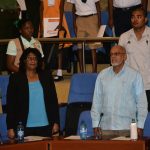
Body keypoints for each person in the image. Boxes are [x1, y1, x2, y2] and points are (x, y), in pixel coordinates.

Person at [91, 45, 148, 139]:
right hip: (106, 128)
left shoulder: (134, 76)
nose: (113, 57)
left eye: (116, 54)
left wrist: (140, 126)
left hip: (127, 129)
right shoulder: (102, 75)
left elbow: (142, 103)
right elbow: (96, 101)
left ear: (125, 57)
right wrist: (95, 123)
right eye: (111, 54)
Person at [6, 48, 59, 138]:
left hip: (45, 125)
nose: (32, 60)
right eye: (29, 58)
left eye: (35, 58)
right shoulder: (15, 78)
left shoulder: (46, 76)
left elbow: (53, 101)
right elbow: (11, 104)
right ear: (24, 61)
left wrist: (56, 122)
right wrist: (10, 127)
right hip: (23, 127)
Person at [119, 7, 150, 112]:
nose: (135, 20)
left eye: (139, 17)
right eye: (132, 17)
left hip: (148, 85)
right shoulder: (124, 37)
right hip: (130, 86)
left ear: (145, 19)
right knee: (132, 121)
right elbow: (119, 62)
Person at [40, 0, 71, 81]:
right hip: (46, 21)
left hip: (58, 21)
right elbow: (41, 8)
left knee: (59, 47)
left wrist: (60, 24)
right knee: (46, 47)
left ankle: (59, 73)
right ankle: (47, 71)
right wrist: (41, 25)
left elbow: (61, 8)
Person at [67, 0, 101, 73]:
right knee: (79, 46)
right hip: (79, 19)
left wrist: (99, 22)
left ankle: (94, 71)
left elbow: (98, 5)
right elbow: (73, 7)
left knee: (93, 47)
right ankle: (82, 71)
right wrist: (74, 22)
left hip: (92, 17)